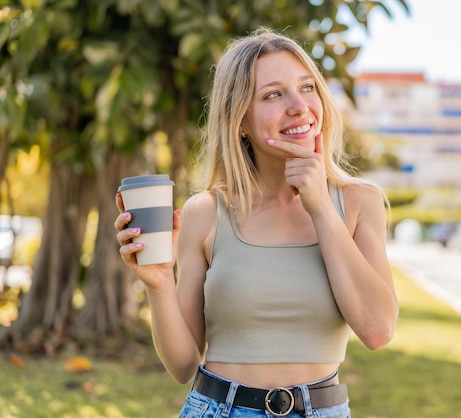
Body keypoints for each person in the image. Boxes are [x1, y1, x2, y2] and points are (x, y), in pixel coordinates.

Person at [115, 27, 398, 418]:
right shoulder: (206, 212)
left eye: (307, 88)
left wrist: (320, 207)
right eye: (272, 95)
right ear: (240, 121)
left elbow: (378, 329)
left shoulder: (360, 203)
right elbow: (182, 365)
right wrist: (160, 284)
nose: (298, 107)